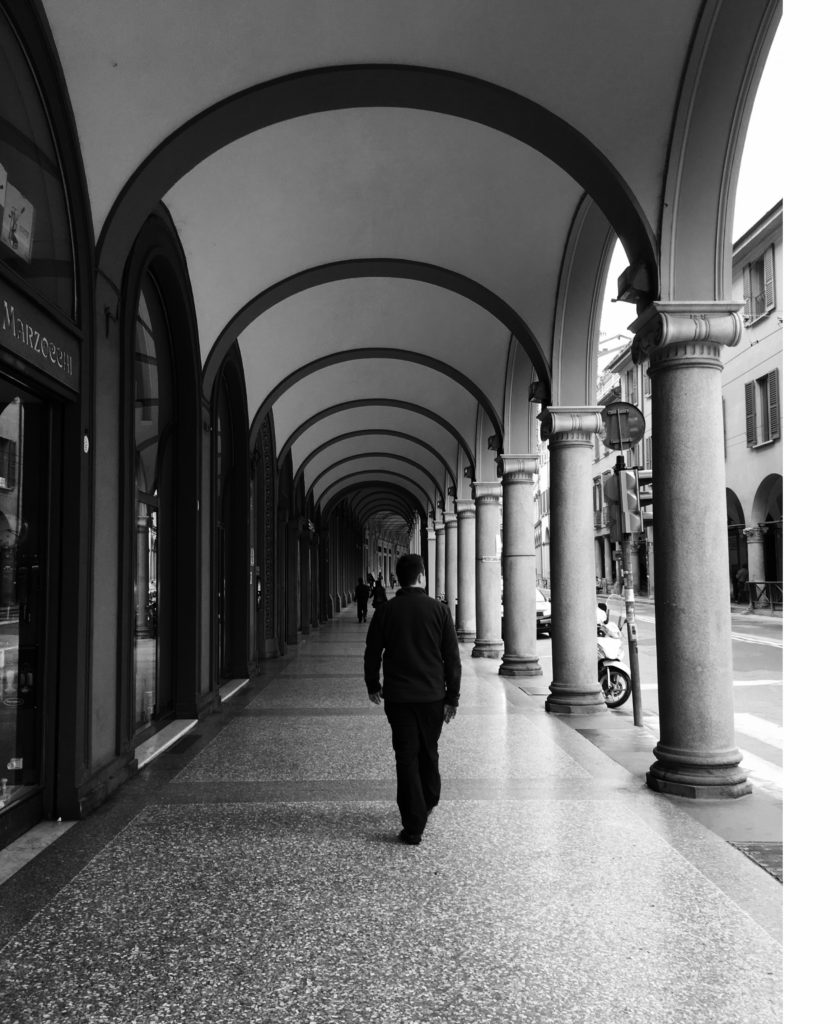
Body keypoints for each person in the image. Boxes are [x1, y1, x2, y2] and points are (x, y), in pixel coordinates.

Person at [364, 553, 460, 845]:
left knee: (406, 757)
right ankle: (428, 799)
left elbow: (372, 652)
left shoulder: (385, 611)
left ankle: (413, 824)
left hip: (400, 697)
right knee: (428, 750)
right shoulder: (440, 611)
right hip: (432, 696)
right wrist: (452, 698)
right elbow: (452, 660)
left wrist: (373, 684)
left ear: (400, 577)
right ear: (421, 577)